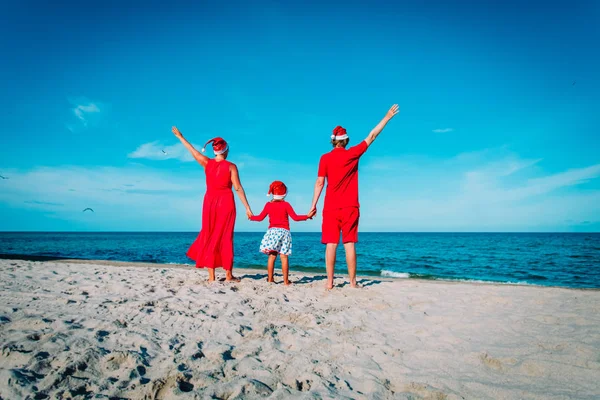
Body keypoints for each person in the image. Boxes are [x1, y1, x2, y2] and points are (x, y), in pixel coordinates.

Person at [309, 104, 400, 289]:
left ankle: (329, 282)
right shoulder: (353, 153)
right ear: (346, 140)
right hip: (351, 207)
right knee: (349, 243)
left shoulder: (325, 158)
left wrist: (313, 205)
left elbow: (319, 182)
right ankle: (352, 283)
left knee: (331, 244)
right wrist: (387, 117)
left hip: (331, 207)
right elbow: (372, 135)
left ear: (333, 141)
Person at [172, 126, 253, 282]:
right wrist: (247, 208)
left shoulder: (206, 163)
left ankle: (211, 277)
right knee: (225, 237)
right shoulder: (231, 166)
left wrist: (181, 137)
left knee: (210, 234)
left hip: (209, 202)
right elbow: (237, 187)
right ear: (226, 151)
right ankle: (228, 275)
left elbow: (193, 151)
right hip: (226, 202)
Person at [249, 181, 315, 285]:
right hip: (284, 232)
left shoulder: (268, 205)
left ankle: (270, 279)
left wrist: (251, 217)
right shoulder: (286, 205)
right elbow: (296, 218)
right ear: (284, 194)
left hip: (273, 232)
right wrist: (307, 216)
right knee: (284, 257)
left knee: (272, 256)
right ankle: (285, 281)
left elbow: (260, 218)